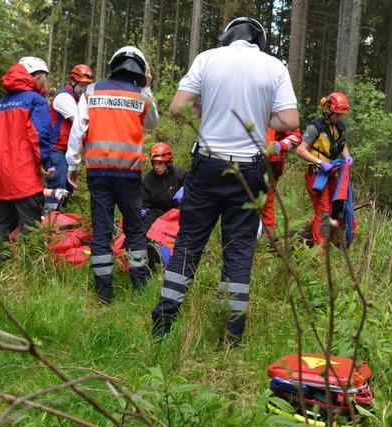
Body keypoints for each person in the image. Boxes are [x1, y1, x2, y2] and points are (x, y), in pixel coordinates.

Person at [151, 17, 299, 344]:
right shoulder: (274, 66)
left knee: (188, 243)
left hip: (207, 165)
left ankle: (162, 325)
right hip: (250, 171)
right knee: (239, 250)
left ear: (227, 37)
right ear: (258, 40)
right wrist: (260, 117)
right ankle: (230, 337)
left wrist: (210, 111)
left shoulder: (207, 58)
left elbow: (177, 108)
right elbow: (290, 120)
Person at [66, 46, 158, 304]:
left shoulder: (92, 91)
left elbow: (77, 131)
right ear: (140, 69)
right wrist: (148, 85)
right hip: (129, 173)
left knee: (102, 230)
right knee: (135, 228)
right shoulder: (141, 94)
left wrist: (72, 165)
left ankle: (103, 293)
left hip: (98, 173)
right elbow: (151, 122)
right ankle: (140, 286)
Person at [0, 56, 54, 241]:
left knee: (2, 222)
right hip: (24, 175)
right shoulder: (35, 101)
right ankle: (25, 266)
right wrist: (47, 163)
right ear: (37, 76)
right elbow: (40, 135)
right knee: (29, 225)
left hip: (0, 175)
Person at [296, 92, 353, 248]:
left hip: (331, 174)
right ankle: (320, 250)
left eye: (342, 114)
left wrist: (347, 157)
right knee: (324, 212)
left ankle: (305, 233)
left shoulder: (339, 126)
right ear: (329, 110)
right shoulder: (315, 127)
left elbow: (342, 145)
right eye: (338, 114)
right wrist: (320, 162)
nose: (340, 117)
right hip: (316, 174)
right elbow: (301, 150)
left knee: (335, 208)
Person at [45, 64, 94, 213]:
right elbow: (80, 123)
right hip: (56, 150)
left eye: (87, 85)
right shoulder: (63, 97)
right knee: (58, 189)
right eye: (81, 85)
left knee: (67, 190)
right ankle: (47, 224)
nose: (84, 89)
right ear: (73, 82)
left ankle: (57, 223)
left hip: (69, 152)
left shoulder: (82, 100)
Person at [261, 128, 302, 237]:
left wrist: (279, 145)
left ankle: (266, 241)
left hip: (271, 164)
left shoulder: (279, 112)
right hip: (246, 160)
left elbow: (296, 137)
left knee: (266, 202)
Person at [141, 142, 187, 230]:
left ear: (167, 162)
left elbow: (191, 181)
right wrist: (143, 210)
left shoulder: (178, 173)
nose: (156, 167)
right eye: (154, 163)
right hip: (158, 215)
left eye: (160, 163)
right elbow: (143, 203)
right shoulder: (148, 180)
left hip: (177, 213)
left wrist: (185, 188)